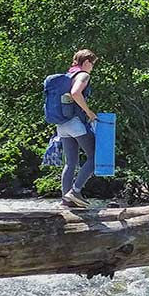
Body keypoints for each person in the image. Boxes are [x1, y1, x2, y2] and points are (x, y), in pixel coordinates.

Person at [59, 49, 99, 208]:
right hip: (75, 123)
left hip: (62, 124)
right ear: (87, 62)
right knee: (95, 157)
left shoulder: (67, 75)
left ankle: (66, 200)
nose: (92, 68)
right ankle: (75, 192)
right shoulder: (83, 75)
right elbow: (75, 93)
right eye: (92, 64)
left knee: (70, 162)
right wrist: (89, 112)